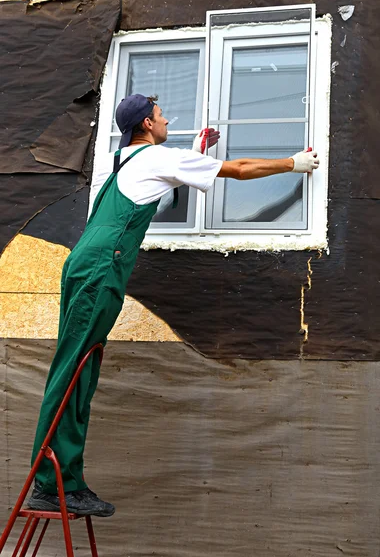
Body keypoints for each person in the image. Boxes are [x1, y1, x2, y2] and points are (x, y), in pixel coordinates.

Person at [28, 94, 319, 517]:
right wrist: (294, 163)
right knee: (73, 372)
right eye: (162, 116)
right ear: (147, 124)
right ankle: (50, 484)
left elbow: (160, 186)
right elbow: (238, 170)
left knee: (78, 370)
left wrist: (197, 155)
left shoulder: (122, 160)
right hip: (100, 270)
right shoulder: (156, 157)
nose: (167, 122)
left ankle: (64, 481)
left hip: (84, 265)